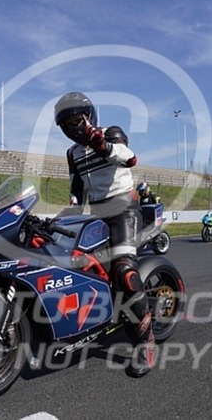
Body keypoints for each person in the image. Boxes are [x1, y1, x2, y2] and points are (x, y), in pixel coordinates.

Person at [54, 91, 154, 378]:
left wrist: (100, 142)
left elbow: (129, 159)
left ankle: (145, 343)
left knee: (124, 272)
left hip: (124, 210)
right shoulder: (72, 153)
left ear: (89, 116)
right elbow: (76, 188)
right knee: (74, 263)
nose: (73, 127)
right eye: (67, 124)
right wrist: (69, 211)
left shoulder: (111, 133)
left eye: (77, 120)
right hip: (96, 212)